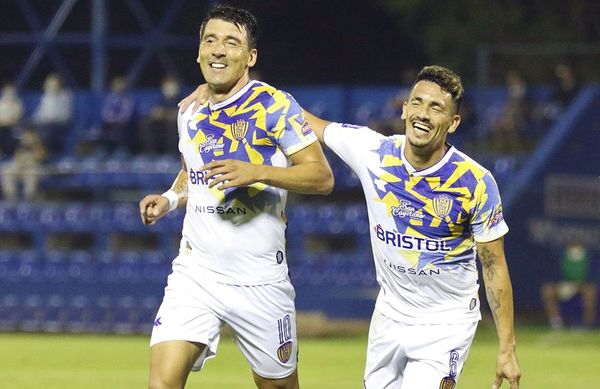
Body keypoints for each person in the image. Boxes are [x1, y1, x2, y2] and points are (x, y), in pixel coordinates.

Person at [185, 65, 522, 388]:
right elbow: (300, 117)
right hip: (389, 316)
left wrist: (506, 348)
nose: (423, 113)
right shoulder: (373, 150)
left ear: (453, 122)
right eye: (417, 102)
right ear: (404, 109)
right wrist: (222, 90)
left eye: (436, 107)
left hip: (446, 322)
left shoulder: (476, 182)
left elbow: (493, 265)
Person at [139, 5, 333, 389]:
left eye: (231, 42)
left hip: (260, 279)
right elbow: (192, 172)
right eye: (210, 40)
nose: (218, 50)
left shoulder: (276, 107)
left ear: (250, 57)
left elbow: (322, 177)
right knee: (161, 384)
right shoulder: (189, 111)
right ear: (198, 51)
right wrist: (169, 199)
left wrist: (257, 171)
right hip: (197, 274)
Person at [541, 241, 597, 329]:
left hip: (581, 286)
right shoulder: (561, 255)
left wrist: (578, 285)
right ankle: (556, 322)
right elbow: (555, 274)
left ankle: (587, 324)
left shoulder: (588, 257)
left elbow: (591, 277)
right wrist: (564, 285)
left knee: (590, 291)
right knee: (547, 290)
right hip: (565, 284)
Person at [137, 74, 183, 155]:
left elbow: (180, 112)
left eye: (171, 84)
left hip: (176, 123)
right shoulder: (161, 98)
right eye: (167, 84)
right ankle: (149, 151)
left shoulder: (181, 97)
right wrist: (158, 113)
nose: (169, 87)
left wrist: (167, 113)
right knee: (145, 123)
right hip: (161, 122)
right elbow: (155, 111)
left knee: (171, 124)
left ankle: (171, 152)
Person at [1, 126, 48, 200]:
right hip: (22, 169)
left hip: (37, 169)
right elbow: (17, 159)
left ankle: (29, 198)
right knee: (7, 171)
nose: (27, 138)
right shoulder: (20, 146)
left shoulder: (40, 144)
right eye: (25, 136)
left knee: (31, 174)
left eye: (29, 136)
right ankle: (11, 197)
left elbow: (42, 158)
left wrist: (34, 144)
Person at [31, 73, 72, 155]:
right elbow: (40, 113)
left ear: (59, 84)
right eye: (49, 84)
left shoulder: (65, 96)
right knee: (29, 127)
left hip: (60, 124)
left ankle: (48, 155)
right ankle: (34, 154)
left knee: (47, 130)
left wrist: (50, 119)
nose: (51, 86)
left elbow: (65, 115)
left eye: (54, 84)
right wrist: (34, 120)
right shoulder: (46, 97)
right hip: (44, 123)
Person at [0, 82, 24, 158]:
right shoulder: (1, 103)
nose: (9, 94)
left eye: (11, 92)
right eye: (7, 92)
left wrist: (6, 122)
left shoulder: (18, 103)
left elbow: (16, 118)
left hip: (13, 127)